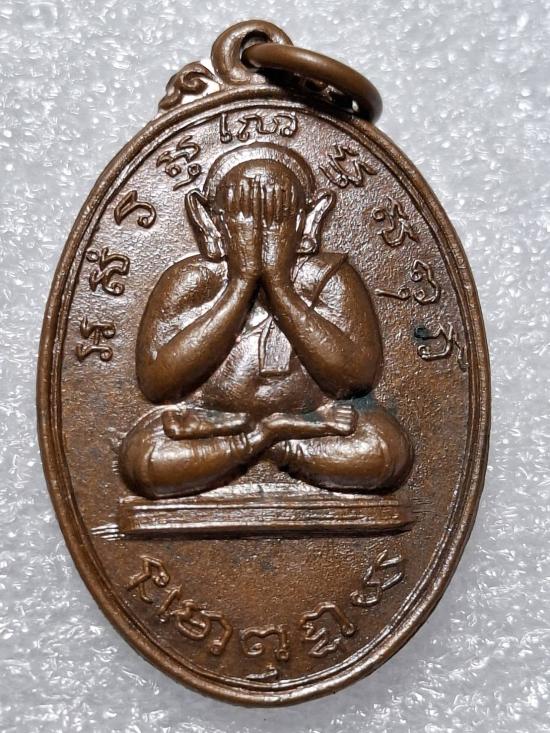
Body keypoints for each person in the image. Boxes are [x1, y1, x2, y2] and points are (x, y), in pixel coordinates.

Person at [119, 143, 413, 499]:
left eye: (277, 215)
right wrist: (241, 283)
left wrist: (279, 285)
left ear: (308, 222)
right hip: (211, 425)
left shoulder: (330, 277)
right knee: (143, 458)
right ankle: (262, 438)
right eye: (241, 214)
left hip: (312, 424)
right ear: (210, 223)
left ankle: (272, 441)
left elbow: (356, 378)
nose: (257, 229)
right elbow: (157, 384)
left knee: (385, 450)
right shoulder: (191, 279)